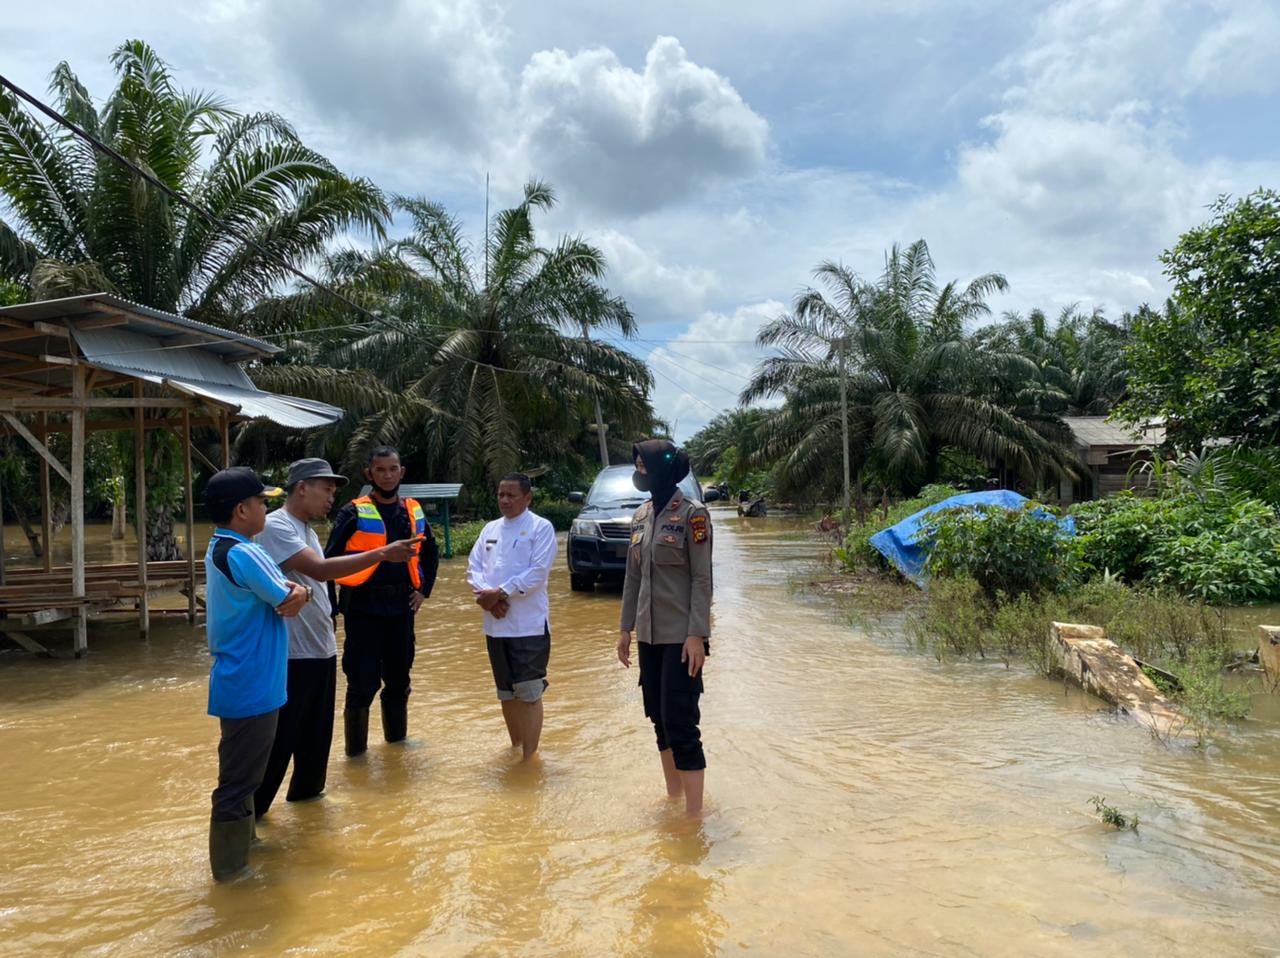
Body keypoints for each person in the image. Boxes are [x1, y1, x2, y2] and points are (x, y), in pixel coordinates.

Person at [252, 458, 422, 819]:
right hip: (293, 655)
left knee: (315, 746)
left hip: (320, 650)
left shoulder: (307, 530)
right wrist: (382, 553)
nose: (332, 497)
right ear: (302, 487)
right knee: (281, 742)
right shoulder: (276, 526)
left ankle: (307, 818)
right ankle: (252, 819)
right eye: (326, 489)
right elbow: (320, 569)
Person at [203, 467, 308, 881]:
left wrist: (302, 592)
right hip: (249, 682)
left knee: (246, 775)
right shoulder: (243, 553)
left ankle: (245, 851)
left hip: (250, 680)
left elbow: (292, 593)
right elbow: (288, 595)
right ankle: (231, 875)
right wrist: (301, 592)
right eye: (263, 501)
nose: (268, 507)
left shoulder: (234, 546)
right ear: (242, 510)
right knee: (238, 781)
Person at [617, 440, 713, 817]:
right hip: (649, 637)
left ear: (660, 470)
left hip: (681, 638)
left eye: (643, 466)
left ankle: (694, 815)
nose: (638, 473)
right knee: (658, 716)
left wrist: (697, 636)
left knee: (681, 721)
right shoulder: (640, 516)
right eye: (637, 465)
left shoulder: (694, 515)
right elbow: (632, 578)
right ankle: (672, 799)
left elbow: (702, 580)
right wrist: (625, 629)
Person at [325, 446, 439, 756]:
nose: (387, 475)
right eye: (380, 470)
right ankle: (356, 757)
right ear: (369, 474)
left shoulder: (413, 510)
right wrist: (331, 608)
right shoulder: (353, 511)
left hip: (402, 609)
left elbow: (431, 552)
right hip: (363, 608)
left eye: (393, 469)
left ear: (402, 472)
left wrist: (424, 590)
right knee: (362, 684)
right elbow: (328, 562)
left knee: (399, 681)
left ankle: (397, 749)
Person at [466, 473, 558, 762]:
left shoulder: (540, 528)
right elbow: (474, 568)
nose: (504, 500)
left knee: (529, 693)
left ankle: (530, 758)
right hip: (495, 626)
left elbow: (538, 572)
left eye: (511, 495)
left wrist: (500, 593)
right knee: (506, 693)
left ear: (527, 498)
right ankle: (515, 747)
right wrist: (488, 597)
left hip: (528, 626)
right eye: (500, 494)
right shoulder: (490, 529)